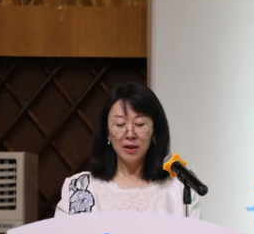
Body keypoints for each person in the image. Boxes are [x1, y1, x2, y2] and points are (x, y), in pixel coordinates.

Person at [54, 82, 200, 218]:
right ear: (107, 132)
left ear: (155, 132)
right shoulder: (79, 188)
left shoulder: (179, 191)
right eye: (119, 124)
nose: (130, 134)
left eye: (140, 124)